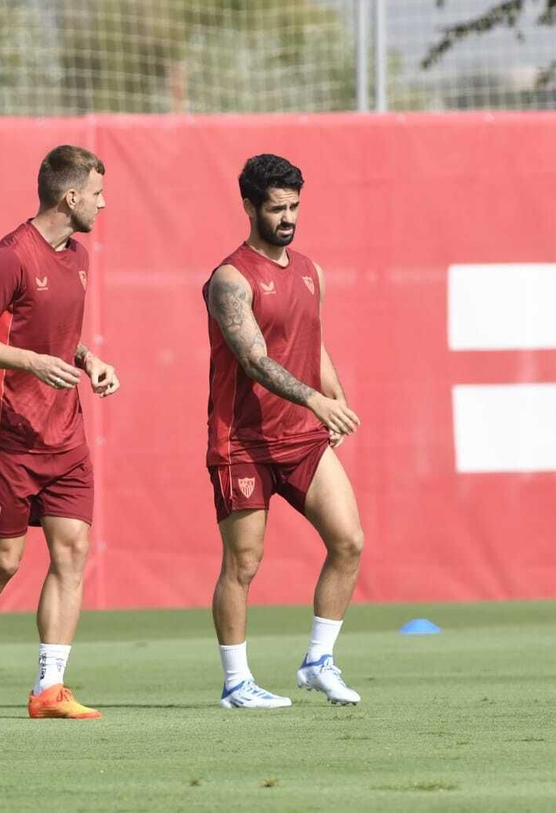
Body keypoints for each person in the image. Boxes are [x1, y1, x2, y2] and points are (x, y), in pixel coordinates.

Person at [0, 144, 120, 721]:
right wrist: (33, 363)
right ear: (70, 196)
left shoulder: (79, 254)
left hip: (64, 434)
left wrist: (88, 359)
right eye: (96, 193)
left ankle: (49, 688)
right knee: (3, 563)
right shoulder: (10, 256)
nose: (102, 203)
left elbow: (51, 332)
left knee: (73, 549)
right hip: (8, 434)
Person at [202, 153, 366, 709]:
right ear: (249, 207)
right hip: (242, 442)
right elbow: (254, 360)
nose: (288, 217)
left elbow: (310, 342)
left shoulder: (310, 271)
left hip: (302, 439)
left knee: (348, 542)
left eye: (294, 206)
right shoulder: (229, 280)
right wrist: (316, 399)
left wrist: (335, 397)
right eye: (276, 208)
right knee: (243, 564)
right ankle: (235, 682)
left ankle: (319, 660)